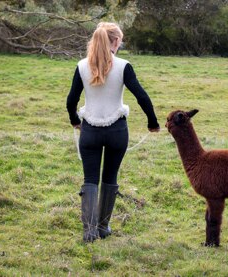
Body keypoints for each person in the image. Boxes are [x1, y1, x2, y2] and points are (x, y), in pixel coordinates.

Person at [66, 22, 160, 242]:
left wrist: (74, 121)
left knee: (90, 179)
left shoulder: (81, 66)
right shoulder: (124, 66)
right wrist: (152, 122)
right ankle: (102, 227)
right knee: (110, 177)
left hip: (89, 130)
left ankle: (89, 232)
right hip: (117, 131)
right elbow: (142, 96)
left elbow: (71, 100)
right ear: (116, 41)